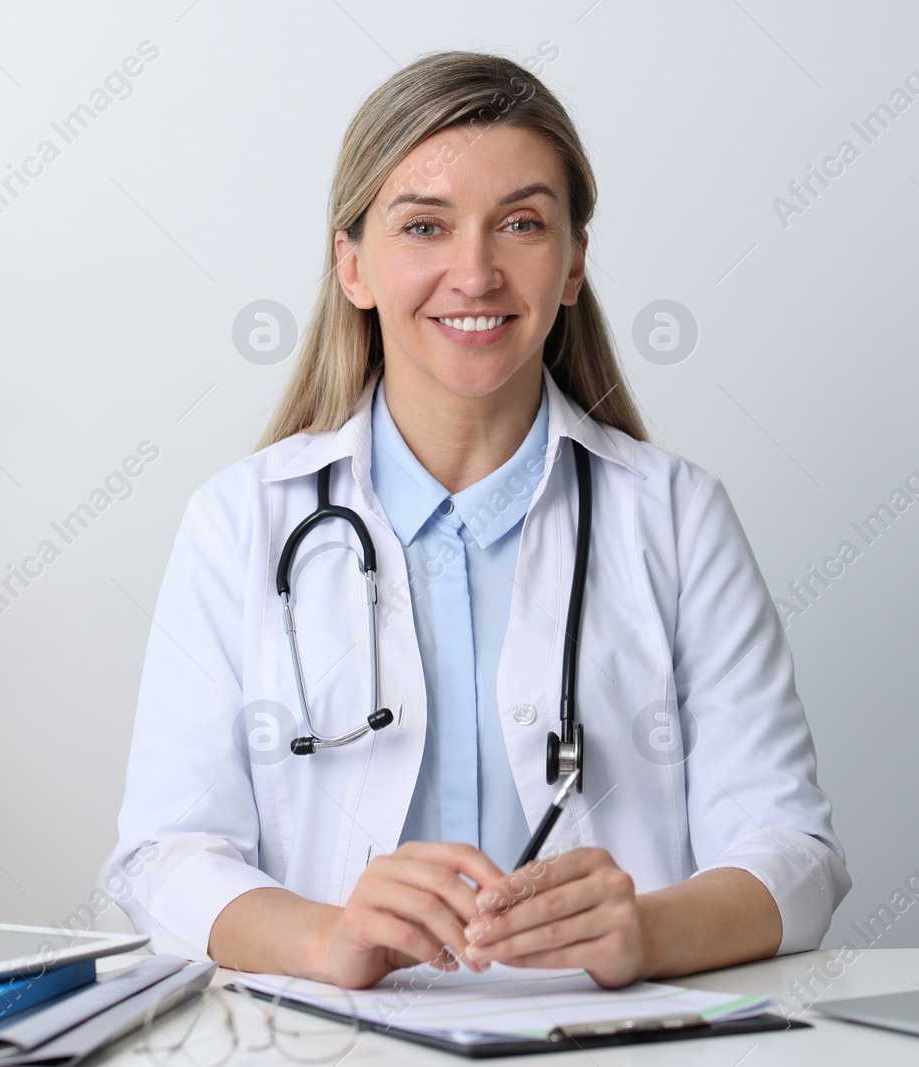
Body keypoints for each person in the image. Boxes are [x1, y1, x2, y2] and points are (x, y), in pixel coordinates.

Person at [112, 50, 849, 991]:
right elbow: (164, 857)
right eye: (424, 225)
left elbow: (795, 852)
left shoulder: (675, 517)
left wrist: (648, 931)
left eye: (522, 224)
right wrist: (325, 937)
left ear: (573, 263)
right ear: (353, 266)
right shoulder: (238, 523)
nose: (475, 271)